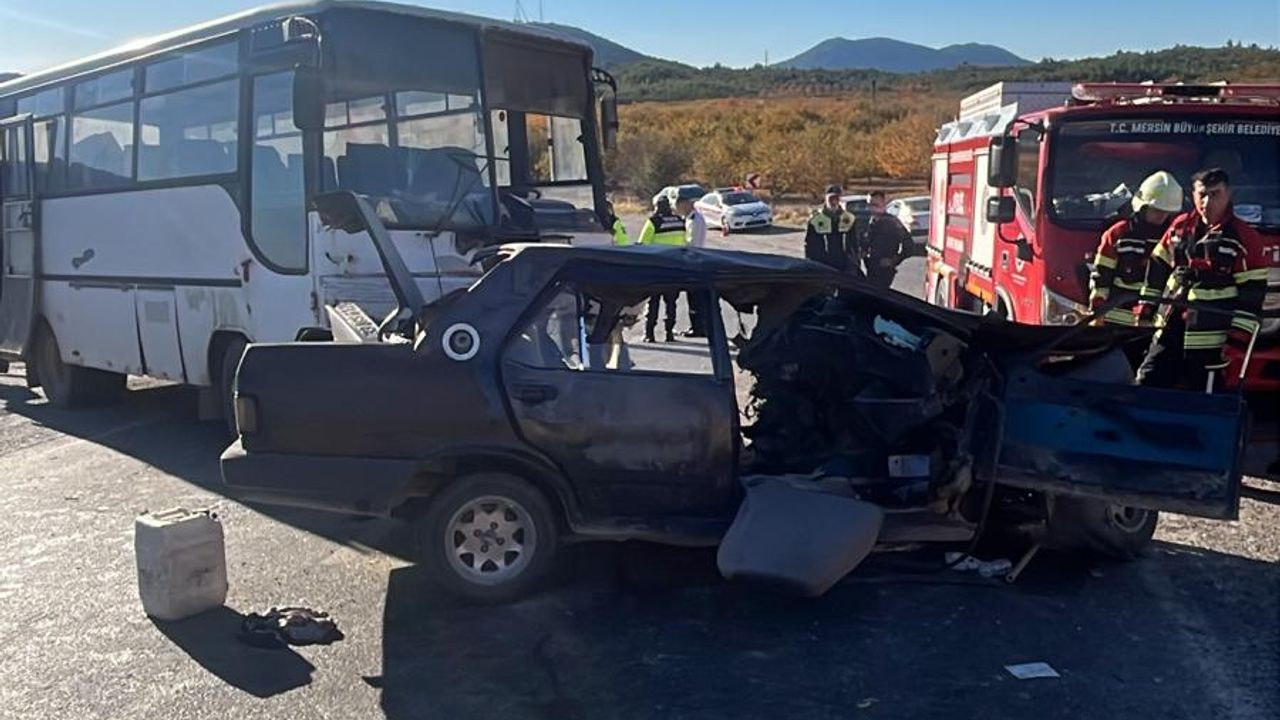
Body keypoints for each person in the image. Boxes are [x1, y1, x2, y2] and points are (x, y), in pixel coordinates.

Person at [1135, 168, 1270, 391]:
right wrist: (1147, 305)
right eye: (1201, 195)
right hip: (1170, 329)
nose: (1206, 202)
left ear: (1229, 194)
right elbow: (1158, 265)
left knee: (1203, 401)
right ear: (1193, 194)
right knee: (1146, 385)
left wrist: (1237, 339)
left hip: (1211, 341)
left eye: (1215, 194)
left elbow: (1253, 294)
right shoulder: (1180, 227)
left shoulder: (1244, 239)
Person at [1089, 171, 1183, 328]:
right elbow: (1101, 276)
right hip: (1114, 323)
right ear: (1143, 206)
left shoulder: (1173, 239)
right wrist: (1097, 313)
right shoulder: (1118, 233)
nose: (1161, 216)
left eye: (1166, 212)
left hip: (1153, 324)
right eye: (1156, 210)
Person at [638, 196, 686, 342]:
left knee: (653, 302)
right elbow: (684, 243)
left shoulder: (653, 222)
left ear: (657, 206)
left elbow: (642, 244)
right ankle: (669, 333)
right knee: (671, 303)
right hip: (675, 268)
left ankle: (649, 334)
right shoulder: (679, 221)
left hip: (656, 268)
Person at [861, 190, 913, 287]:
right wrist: (863, 254)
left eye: (875, 204)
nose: (871, 208)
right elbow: (865, 243)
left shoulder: (892, 223)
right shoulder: (870, 222)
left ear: (884, 205)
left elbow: (909, 246)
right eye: (869, 204)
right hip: (872, 267)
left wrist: (894, 260)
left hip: (885, 269)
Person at [804, 185, 859, 274]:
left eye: (836, 198)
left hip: (845, 267)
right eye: (831, 198)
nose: (834, 201)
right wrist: (811, 265)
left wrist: (855, 263)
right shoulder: (815, 220)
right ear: (825, 198)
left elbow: (854, 244)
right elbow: (809, 246)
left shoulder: (849, 218)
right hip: (823, 266)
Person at [677, 196, 709, 337]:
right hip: (695, 258)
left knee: (694, 297)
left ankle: (698, 328)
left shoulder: (695, 220)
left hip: (693, 259)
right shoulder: (693, 218)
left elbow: (692, 242)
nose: (678, 210)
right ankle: (697, 326)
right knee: (693, 297)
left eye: (679, 206)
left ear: (686, 205)